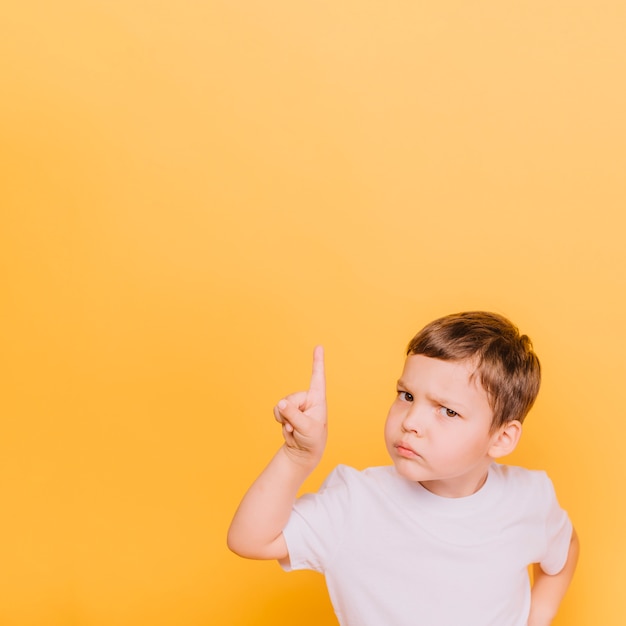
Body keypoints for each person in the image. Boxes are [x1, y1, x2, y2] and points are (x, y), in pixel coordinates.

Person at [227, 311, 579, 626]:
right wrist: (296, 455)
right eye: (406, 396)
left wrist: (540, 615)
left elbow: (565, 546)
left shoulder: (529, 497)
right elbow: (250, 540)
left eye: (448, 410)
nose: (411, 421)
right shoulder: (356, 503)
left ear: (501, 439)